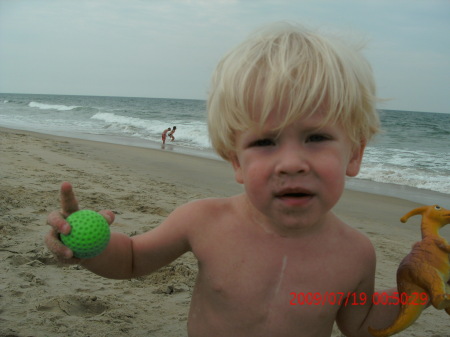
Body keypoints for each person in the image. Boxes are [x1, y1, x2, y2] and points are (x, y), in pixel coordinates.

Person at [45, 23, 414, 336]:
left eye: (316, 137)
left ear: (354, 154)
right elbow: (130, 260)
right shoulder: (203, 221)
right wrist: (91, 247)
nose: (291, 163)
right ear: (236, 161)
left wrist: (421, 289)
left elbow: (361, 323)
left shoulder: (355, 253)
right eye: (265, 142)